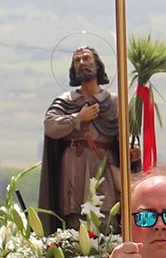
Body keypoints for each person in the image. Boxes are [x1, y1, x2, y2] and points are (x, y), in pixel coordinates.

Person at [39, 46, 123, 229]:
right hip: (74, 167)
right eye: (77, 60)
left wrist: (131, 150)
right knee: (74, 218)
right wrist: (77, 118)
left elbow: (126, 133)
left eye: (86, 58)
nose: (82, 63)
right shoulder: (66, 100)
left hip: (103, 165)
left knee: (106, 217)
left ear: (97, 65)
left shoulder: (114, 102)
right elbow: (50, 125)